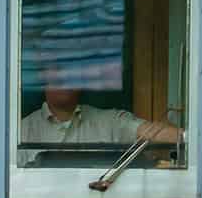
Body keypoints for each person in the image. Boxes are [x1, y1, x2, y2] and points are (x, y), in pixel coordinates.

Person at [19, 59, 182, 157]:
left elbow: (151, 132)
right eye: (57, 70)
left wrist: (190, 138)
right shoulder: (21, 131)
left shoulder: (110, 122)